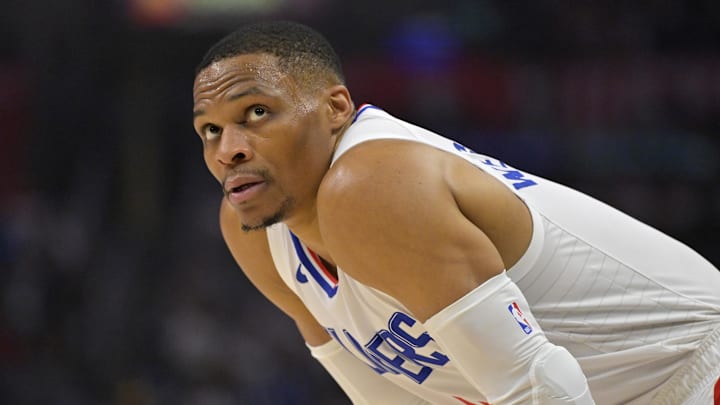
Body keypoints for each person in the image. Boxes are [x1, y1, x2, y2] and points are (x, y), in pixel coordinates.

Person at [191, 20, 720, 405]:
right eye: (209, 129)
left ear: (335, 109)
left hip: (691, 370)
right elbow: (383, 396)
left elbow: (538, 387)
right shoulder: (254, 232)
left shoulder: (370, 185)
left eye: (256, 113)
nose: (227, 148)